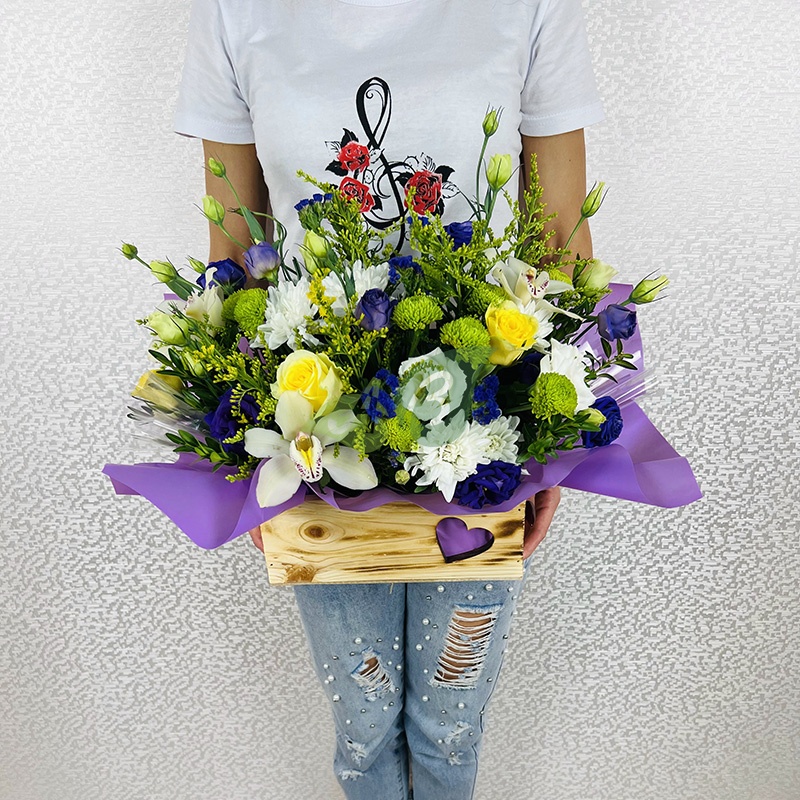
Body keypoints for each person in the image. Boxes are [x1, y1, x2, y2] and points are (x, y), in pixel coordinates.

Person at [173, 1, 603, 796]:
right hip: (316, 428)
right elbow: (234, 254)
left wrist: (559, 441)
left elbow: (559, 244)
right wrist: (245, 457)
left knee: (450, 727)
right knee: (364, 729)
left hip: (483, 422)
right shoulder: (233, 11)